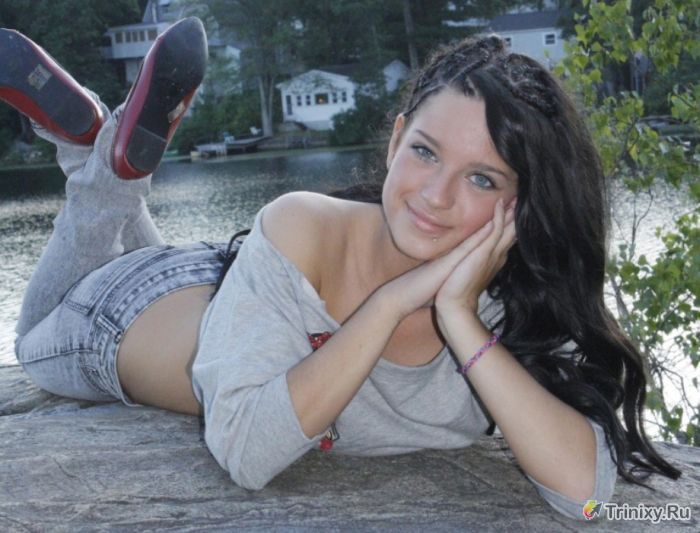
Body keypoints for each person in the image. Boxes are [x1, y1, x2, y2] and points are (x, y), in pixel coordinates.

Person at [3, 18, 681, 522]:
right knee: (31, 339)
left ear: (523, 203)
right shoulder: (301, 223)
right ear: (395, 139)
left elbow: (585, 493)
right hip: (125, 317)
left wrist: (457, 316)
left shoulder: (516, 303)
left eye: (481, 177)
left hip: (238, 287)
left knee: (218, 293)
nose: (435, 195)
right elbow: (245, 450)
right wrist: (388, 305)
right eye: (425, 152)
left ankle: (101, 151)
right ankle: (101, 180)